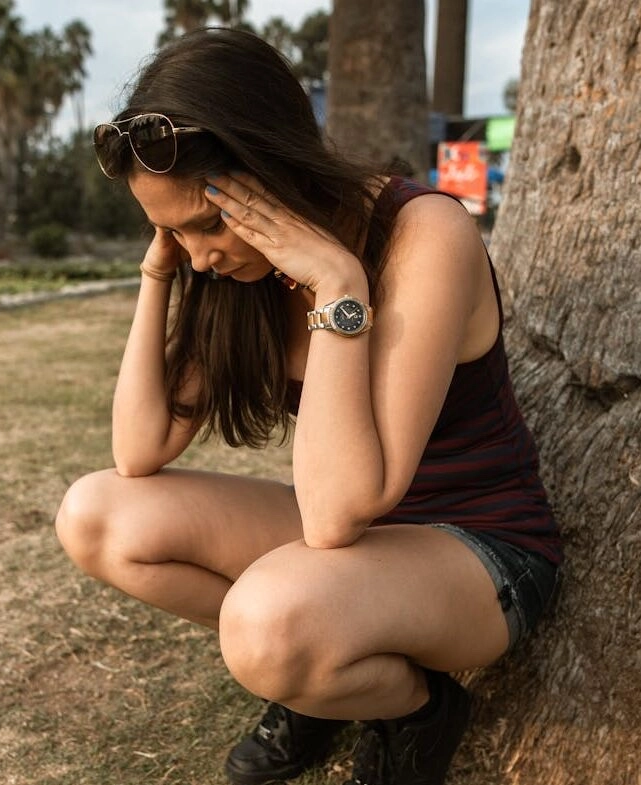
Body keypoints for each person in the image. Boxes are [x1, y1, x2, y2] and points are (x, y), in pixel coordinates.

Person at [55, 28, 563, 785]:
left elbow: (337, 513)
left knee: (266, 625)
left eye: (205, 223)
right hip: (350, 546)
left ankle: (415, 708)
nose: (201, 255)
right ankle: (325, 676)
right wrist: (157, 276)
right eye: (171, 230)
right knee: (95, 514)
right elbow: (139, 450)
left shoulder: (424, 232)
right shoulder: (228, 272)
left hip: (478, 548)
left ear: (269, 168)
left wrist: (337, 286)